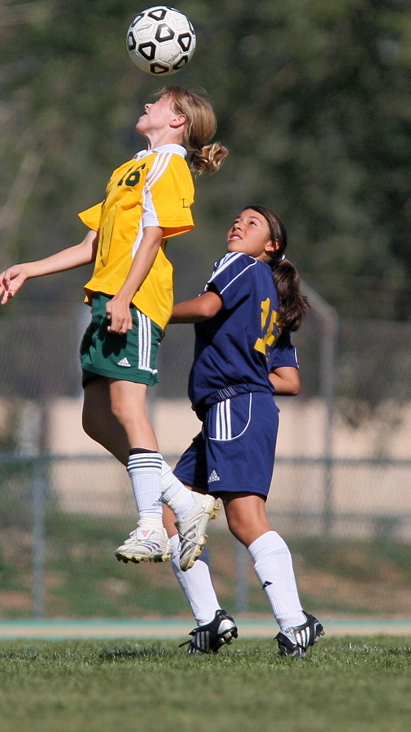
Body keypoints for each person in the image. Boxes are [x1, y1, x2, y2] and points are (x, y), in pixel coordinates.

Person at [0, 86, 228, 565]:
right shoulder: (128, 169)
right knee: (95, 420)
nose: (146, 104)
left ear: (179, 120)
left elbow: (154, 234)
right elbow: (89, 248)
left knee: (126, 406)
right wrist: (29, 268)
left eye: (158, 102)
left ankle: (151, 527)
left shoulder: (171, 164)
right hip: (106, 299)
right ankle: (185, 502)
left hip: (135, 301)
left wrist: (124, 296)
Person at [161, 205, 324, 657]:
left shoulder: (241, 266)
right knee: (172, 510)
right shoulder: (267, 296)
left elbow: (207, 306)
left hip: (236, 408)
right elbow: (289, 381)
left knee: (245, 519)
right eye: (236, 219)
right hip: (236, 408)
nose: (237, 224)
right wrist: (249, 377)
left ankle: (295, 624)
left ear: (271, 246)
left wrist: (150, 314)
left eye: (252, 223)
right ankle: (211, 621)